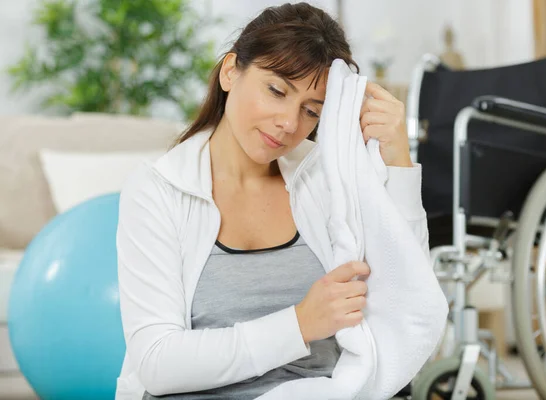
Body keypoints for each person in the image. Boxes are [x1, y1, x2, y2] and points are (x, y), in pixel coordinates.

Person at [116, 3, 428, 399]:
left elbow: (407, 300)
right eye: (276, 90)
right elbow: (157, 362)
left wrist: (398, 159)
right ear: (231, 71)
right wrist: (299, 324)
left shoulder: (325, 178)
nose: (289, 123)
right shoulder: (158, 189)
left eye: (311, 111)